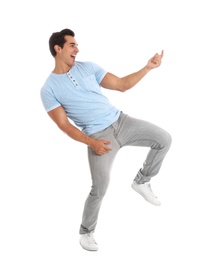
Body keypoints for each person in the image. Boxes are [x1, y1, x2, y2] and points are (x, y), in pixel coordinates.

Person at [40, 28, 172, 251]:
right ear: (58, 48)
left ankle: (141, 181)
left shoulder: (89, 67)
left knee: (164, 139)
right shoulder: (48, 89)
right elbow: (64, 126)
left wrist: (148, 67)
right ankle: (86, 232)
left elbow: (121, 84)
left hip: (122, 121)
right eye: (72, 45)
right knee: (99, 188)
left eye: (76, 45)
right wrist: (92, 143)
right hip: (99, 137)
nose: (77, 49)